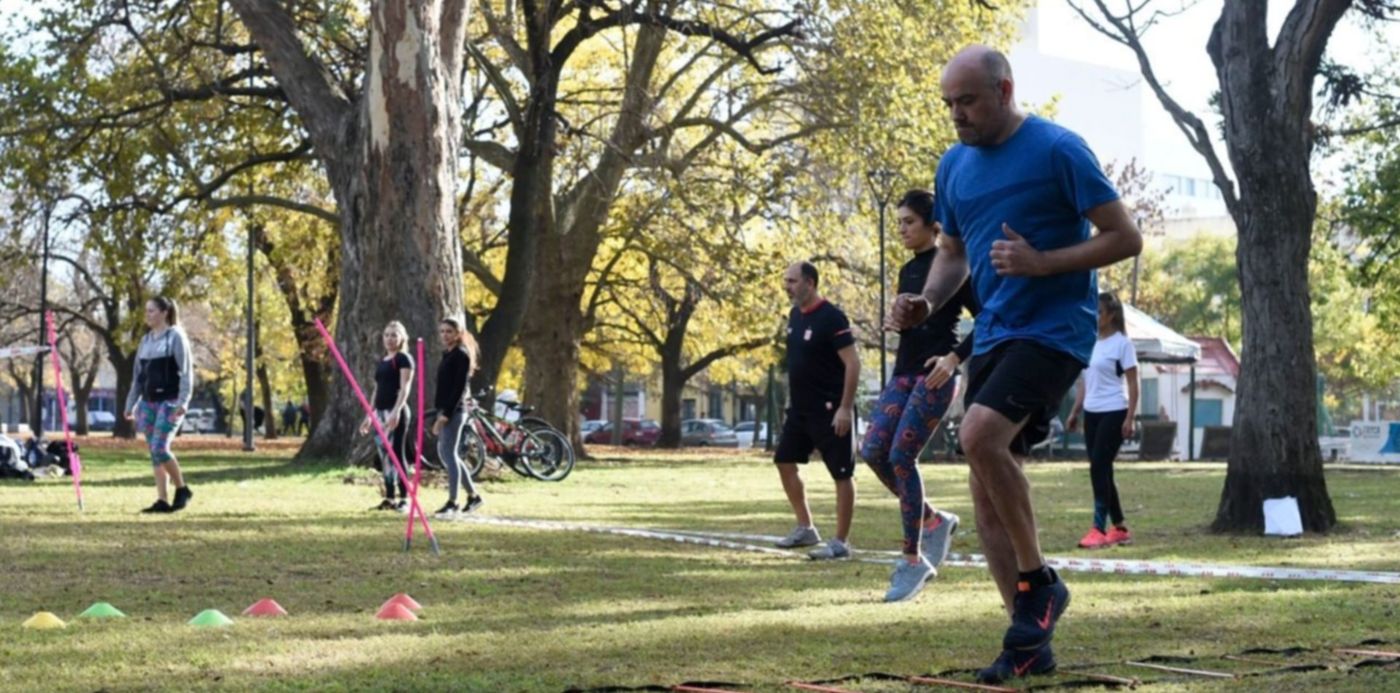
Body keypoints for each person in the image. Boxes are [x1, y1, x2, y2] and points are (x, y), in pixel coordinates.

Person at [888, 46, 1142, 683]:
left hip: (1055, 329)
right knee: (983, 492)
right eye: (949, 103)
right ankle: (1028, 636)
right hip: (996, 329)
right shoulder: (954, 166)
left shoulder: (1059, 149)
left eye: (967, 101)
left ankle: (1040, 584)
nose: (957, 115)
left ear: (1004, 90)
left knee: (977, 436)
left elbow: (1125, 236)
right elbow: (953, 251)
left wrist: (1044, 263)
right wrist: (927, 300)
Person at [862, 190, 977, 602]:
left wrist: (953, 358)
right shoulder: (908, 270)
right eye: (898, 223)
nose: (902, 230)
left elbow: (991, 320)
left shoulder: (955, 266)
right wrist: (897, 320)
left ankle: (912, 561)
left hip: (935, 375)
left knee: (900, 457)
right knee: (873, 450)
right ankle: (934, 520)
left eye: (909, 222)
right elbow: (912, 320)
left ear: (934, 226)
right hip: (902, 375)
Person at [772, 261, 861, 560]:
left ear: (810, 283)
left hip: (831, 410)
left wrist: (845, 408)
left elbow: (853, 363)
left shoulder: (832, 317)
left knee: (841, 474)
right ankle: (805, 527)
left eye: (793, 281)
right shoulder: (795, 315)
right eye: (786, 281)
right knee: (784, 461)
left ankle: (841, 542)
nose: (788, 286)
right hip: (799, 410)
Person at [1066, 292, 1139, 548]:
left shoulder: (1123, 344)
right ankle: (1119, 527)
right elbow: (1086, 383)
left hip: (1114, 410)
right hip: (1092, 413)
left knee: (1098, 466)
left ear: (1112, 315)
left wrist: (1130, 417)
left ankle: (1098, 527)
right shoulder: (1090, 342)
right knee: (1103, 469)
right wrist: (1075, 412)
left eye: (1099, 312)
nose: (1095, 316)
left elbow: (1133, 382)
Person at [124, 296, 197, 514]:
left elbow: (186, 373)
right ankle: (162, 500)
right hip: (148, 403)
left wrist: (183, 402)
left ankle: (182, 489)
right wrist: (131, 403)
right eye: (146, 311)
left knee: (160, 447)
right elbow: (138, 376)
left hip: (170, 401)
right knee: (154, 452)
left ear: (164, 313)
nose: (147, 315)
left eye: (152, 311)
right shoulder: (145, 341)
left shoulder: (176, 337)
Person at [359, 321, 416, 511]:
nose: (390, 339)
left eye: (394, 335)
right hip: (380, 412)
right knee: (384, 456)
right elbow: (377, 389)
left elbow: (405, 387)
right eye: (387, 335)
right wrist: (370, 414)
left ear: (401, 338)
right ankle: (390, 498)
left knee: (397, 454)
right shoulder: (383, 361)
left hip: (395, 411)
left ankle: (405, 498)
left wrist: (396, 411)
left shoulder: (403, 359)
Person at [431, 317, 485, 519]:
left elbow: (459, 388)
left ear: (458, 333)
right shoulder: (448, 354)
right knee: (448, 455)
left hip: (454, 410)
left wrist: (445, 414)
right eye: (442, 331)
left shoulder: (461, 355)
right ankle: (473, 496)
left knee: (449, 454)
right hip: (444, 408)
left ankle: (453, 501)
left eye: (449, 332)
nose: (445, 335)